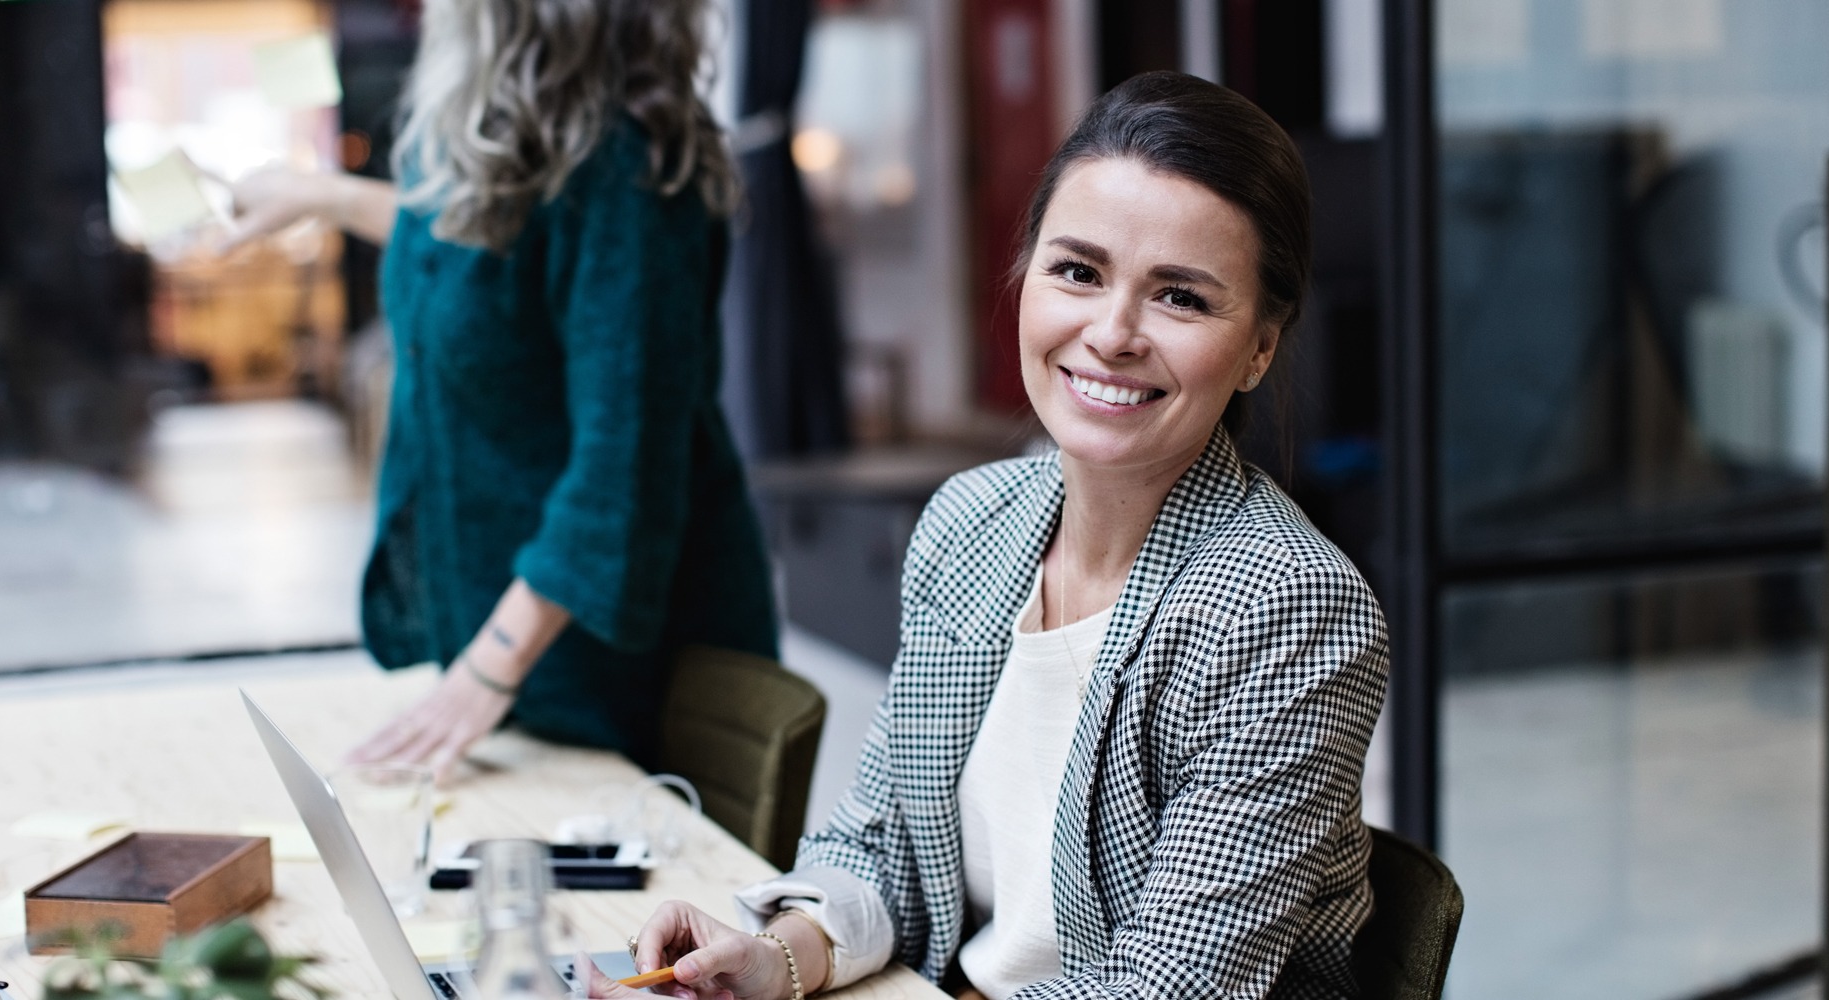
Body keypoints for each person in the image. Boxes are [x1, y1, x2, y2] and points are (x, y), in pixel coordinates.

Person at [583, 72, 1388, 1000]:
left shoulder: (1289, 608)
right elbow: (884, 838)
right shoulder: (973, 523)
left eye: (1181, 298)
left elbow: (1169, 986)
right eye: (1078, 272)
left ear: (1259, 347)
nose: (1113, 333)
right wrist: (781, 954)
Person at [223, 0, 778, 779]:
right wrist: (328, 196)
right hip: (524, 651)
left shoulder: (627, 175)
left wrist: (485, 673)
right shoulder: (521, 142)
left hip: (618, 674)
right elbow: (481, 248)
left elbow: (620, 475)